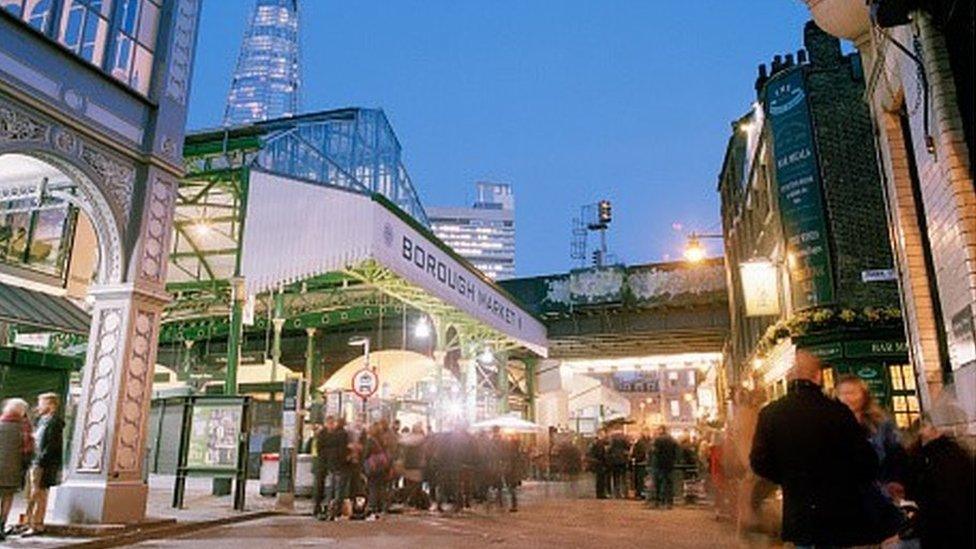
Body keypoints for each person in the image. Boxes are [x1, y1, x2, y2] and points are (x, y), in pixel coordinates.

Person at [750, 350, 897, 547]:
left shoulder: (770, 414)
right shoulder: (838, 412)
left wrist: (788, 477)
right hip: (837, 513)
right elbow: (866, 461)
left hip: (799, 512)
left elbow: (759, 461)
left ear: (790, 377)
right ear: (818, 376)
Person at [905, 414, 974, 548]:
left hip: (945, 533)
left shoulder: (935, 459)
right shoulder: (952, 453)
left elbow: (937, 505)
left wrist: (911, 526)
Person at [836, 375, 908, 499]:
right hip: (845, 493)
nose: (847, 398)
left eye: (852, 393)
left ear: (864, 395)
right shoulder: (832, 424)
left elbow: (896, 453)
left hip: (880, 490)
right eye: (843, 393)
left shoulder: (881, 423)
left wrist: (895, 480)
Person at [22, 393, 63, 536]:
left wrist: (41, 460)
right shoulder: (42, 420)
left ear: (51, 405)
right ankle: (28, 522)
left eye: (42, 403)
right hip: (35, 461)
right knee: (31, 494)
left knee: (39, 494)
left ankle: (36, 524)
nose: (38, 406)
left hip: (42, 463)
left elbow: (51, 445)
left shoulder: (54, 422)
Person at [0, 399, 33, 540]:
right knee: (7, 497)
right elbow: (28, 451)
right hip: (13, 469)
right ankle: (1, 527)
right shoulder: (24, 428)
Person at [363, 422, 391, 520]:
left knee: (372, 487)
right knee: (381, 487)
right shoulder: (382, 440)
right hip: (382, 466)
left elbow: (366, 453)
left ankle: (373, 508)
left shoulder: (370, 440)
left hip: (373, 466)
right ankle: (382, 506)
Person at [650, 425, 678, 509]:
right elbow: (676, 452)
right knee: (669, 483)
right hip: (669, 464)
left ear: (661, 430)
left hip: (659, 464)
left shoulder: (658, 440)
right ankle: (669, 502)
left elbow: (654, 452)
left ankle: (659, 501)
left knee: (659, 483)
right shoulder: (672, 440)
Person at [586, 429, 610, 499]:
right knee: (601, 480)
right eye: (604, 434)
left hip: (597, 463)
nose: (605, 435)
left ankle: (599, 493)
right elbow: (600, 454)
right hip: (600, 463)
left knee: (599, 479)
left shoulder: (596, 443)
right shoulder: (600, 443)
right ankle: (601, 494)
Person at [607, 432, 630, 498]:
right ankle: (625, 493)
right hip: (623, 462)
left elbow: (608, 452)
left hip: (615, 462)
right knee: (624, 478)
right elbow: (628, 448)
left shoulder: (612, 443)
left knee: (616, 478)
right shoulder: (624, 441)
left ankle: (617, 493)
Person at [630, 430, 652, 500]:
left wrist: (635, 458)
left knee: (640, 480)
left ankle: (639, 494)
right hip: (641, 463)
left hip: (640, 463)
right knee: (640, 479)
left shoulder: (640, 443)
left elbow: (640, 453)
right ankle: (640, 493)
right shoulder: (643, 442)